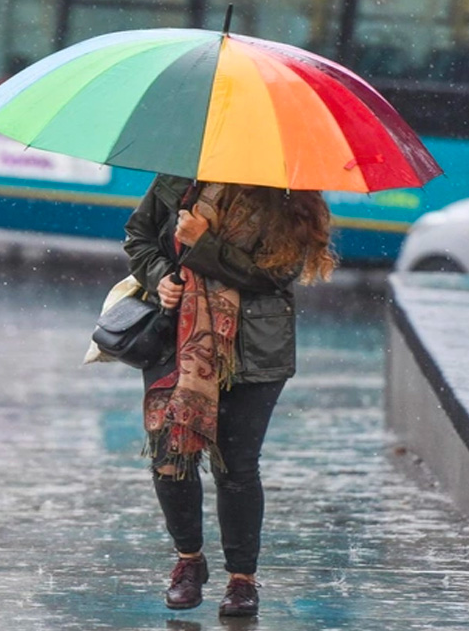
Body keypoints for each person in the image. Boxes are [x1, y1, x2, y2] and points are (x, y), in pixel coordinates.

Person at [123, 174, 336, 617]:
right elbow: (139, 237)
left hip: (254, 347)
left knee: (235, 466)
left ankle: (242, 579)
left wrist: (202, 245)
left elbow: (275, 274)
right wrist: (162, 276)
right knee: (170, 457)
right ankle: (188, 561)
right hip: (174, 338)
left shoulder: (287, 191)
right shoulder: (178, 179)